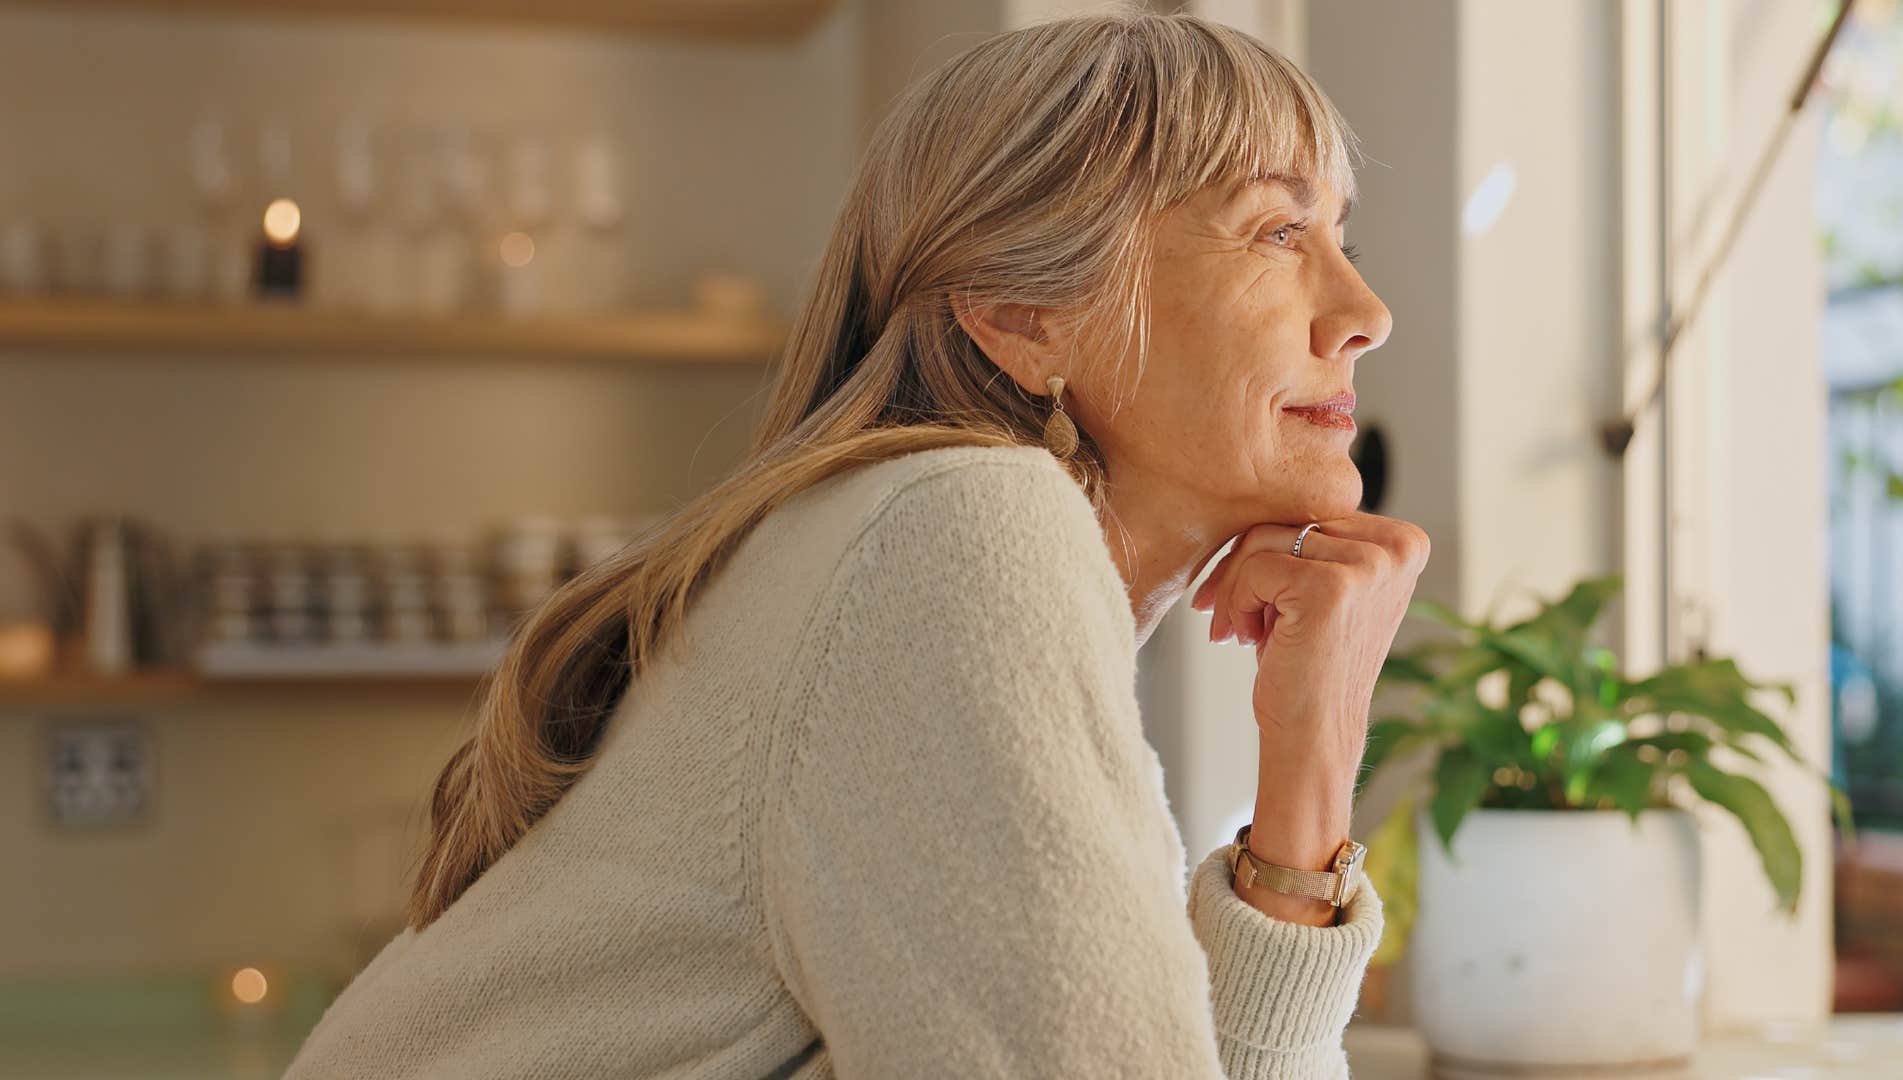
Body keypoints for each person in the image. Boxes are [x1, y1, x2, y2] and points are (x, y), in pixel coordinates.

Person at [285, 8, 1427, 1078]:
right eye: (1279, 231)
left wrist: (1312, 761)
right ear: (1025, 317)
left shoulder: (902, 540)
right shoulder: (957, 527)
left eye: (1341, 234)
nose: (1366, 307)